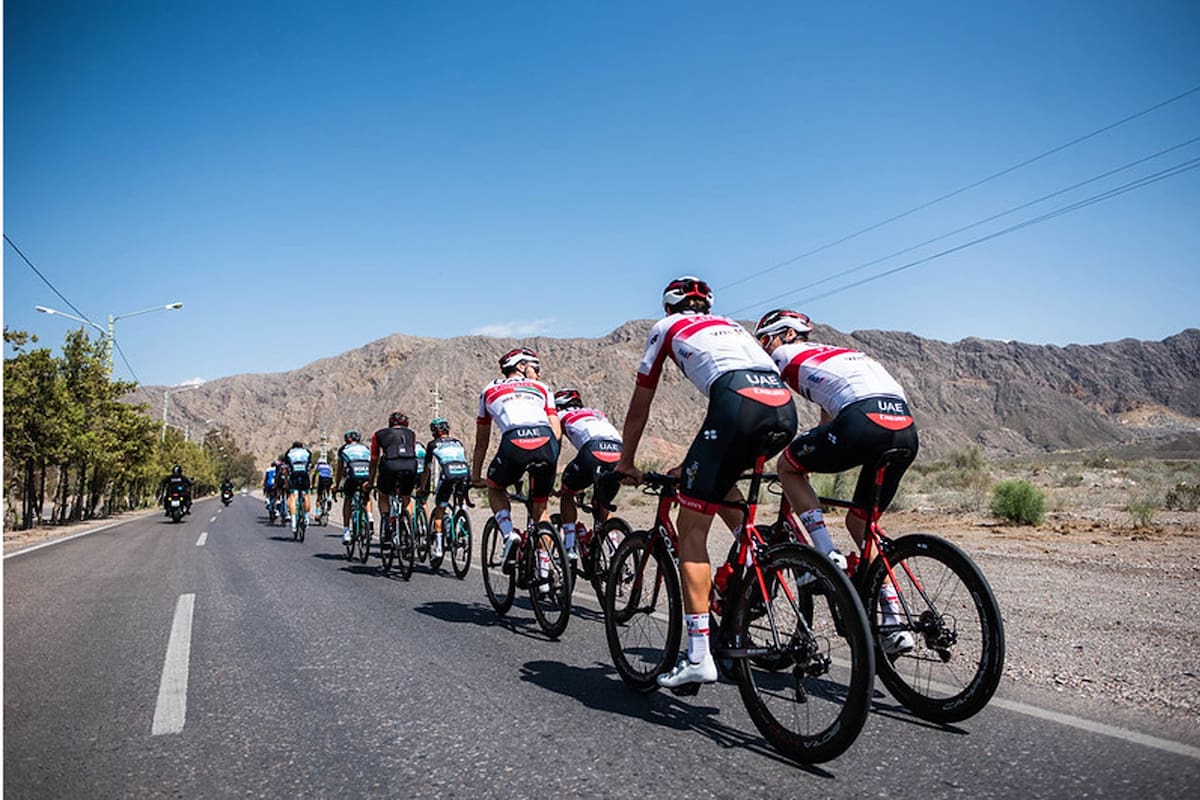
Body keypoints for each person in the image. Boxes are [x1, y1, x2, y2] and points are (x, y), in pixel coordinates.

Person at [614, 276, 797, 688]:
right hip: (783, 412)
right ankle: (758, 569)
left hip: (736, 406)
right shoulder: (732, 326)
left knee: (691, 530)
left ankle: (698, 656)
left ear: (667, 308)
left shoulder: (666, 329)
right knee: (721, 485)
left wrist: (626, 461)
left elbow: (640, 403)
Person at [754, 308, 920, 654]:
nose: (764, 348)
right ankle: (893, 620)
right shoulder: (840, 354)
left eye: (765, 340)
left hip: (862, 421)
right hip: (903, 428)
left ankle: (826, 554)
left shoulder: (783, 356)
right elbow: (828, 416)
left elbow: (764, 406)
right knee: (862, 523)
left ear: (782, 336)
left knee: (788, 467)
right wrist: (816, 446)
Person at [470, 347, 562, 574]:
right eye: (535, 368)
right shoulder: (543, 388)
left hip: (514, 442)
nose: (538, 373)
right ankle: (544, 572)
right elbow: (557, 432)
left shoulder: (488, 390)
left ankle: (509, 533)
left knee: (496, 486)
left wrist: (475, 476)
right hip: (546, 443)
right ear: (521, 366)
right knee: (541, 509)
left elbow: (481, 442)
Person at [553, 388, 623, 560]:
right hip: (619, 453)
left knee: (567, 493)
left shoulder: (560, 417)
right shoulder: (597, 413)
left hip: (592, 450)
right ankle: (615, 549)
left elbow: (556, 447)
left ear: (559, 407)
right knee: (602, 502)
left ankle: (569, 547)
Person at [420, 417, 471, 559]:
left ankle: (438, 548)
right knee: (460, 500)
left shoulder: (432, 444)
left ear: (434, 433)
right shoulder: (458, 442)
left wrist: (422, 488)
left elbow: (427, 470)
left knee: (440, 510)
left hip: (448, 473)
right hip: (465, 472)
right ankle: (462, 517)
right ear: (448, 430)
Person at [368, 411, 420, 546]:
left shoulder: (378, 434)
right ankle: (407, 527)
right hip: (411, 466)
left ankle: (386, 522)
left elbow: (374, 459)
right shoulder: (411, 434)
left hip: (390, 465)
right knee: (406, 496)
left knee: (383, 494)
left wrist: (371, 481)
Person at [334, 429, 373, 545]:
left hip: (352, 477)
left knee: (348, 499)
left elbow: (340, 470)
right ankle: (370, 517)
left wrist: (336, 485)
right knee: (366, 495)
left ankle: (346, 531)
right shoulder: (366, 448)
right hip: (366, 475)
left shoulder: (344, 449)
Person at [284, 440, 313, 532]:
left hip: (294, 476)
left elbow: (287, 469)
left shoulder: (289, 452)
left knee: (293, 497)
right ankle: (306, 518)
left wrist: (286, 482)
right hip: (304, 475)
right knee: (306, 496)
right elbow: (310, 467)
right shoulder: (307, 452)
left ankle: (293, 522)